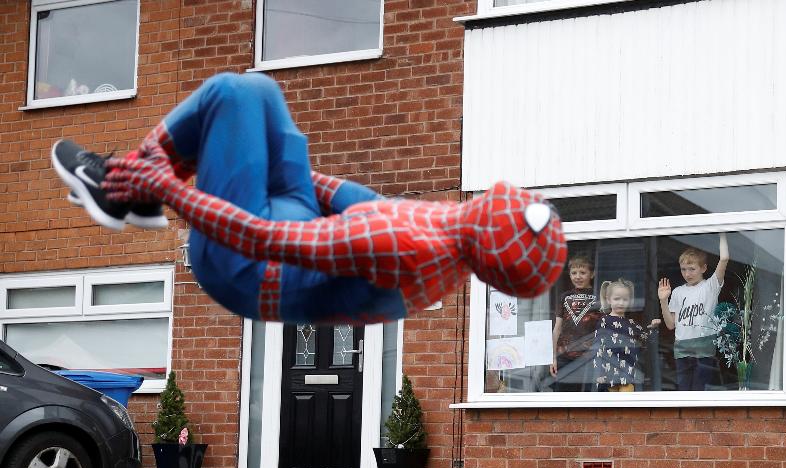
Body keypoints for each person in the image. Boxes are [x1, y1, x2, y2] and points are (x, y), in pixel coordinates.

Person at [51, 72, 567, 325]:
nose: (517, 197)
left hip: (241, 267)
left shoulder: (406, 246)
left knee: (230, 95)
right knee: (260, 92)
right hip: (286, 227)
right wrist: (270, 159)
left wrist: (168, 189)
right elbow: (362, 201)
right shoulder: (456, 238)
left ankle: (123, 188)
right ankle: (129, 190)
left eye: (515, 206)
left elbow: (261, 238)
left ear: (495, 220)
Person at [657, 233, 729, 391]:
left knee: (698, 390)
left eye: (692, 269)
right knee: (683, 390)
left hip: (704, 346)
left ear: (703, 268)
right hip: (682, 347)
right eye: (684, 269)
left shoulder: (710, 286)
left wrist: (723, 232)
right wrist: (663, 300)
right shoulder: (677, 292)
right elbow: (670, 325)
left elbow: (724, 259)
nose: (687, 273)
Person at [593, 278, 660, 392]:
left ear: (629, 301)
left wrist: (653, 329)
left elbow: (645, 342)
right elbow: (598, 348)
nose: (621, 302)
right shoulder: (604, 321)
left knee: (626, 406)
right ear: (608, 299)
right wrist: (598, 373)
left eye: (625, 299)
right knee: (609, 408)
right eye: (617, 299)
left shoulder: (632, 324)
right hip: (607, 376)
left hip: (627, 375)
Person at [549, 255, 602, 392]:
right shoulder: (564, 297)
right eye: (574, 273)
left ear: (592, 274)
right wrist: (552, 357)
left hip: (590, 357)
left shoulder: (600, 296)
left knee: (587, 400)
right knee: (563, 398)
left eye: (583, 273)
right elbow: (557, 329)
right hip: (564, 356)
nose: (578, 277)